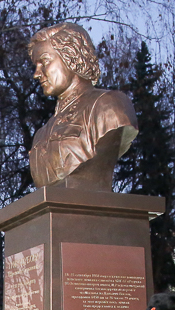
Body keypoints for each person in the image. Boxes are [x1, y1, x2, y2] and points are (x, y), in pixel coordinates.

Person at [28, 22, 138, 190]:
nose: (37, 74)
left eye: (45, 62)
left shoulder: (109, 105)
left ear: (71, 57)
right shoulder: (40, 135)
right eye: (36, 66)